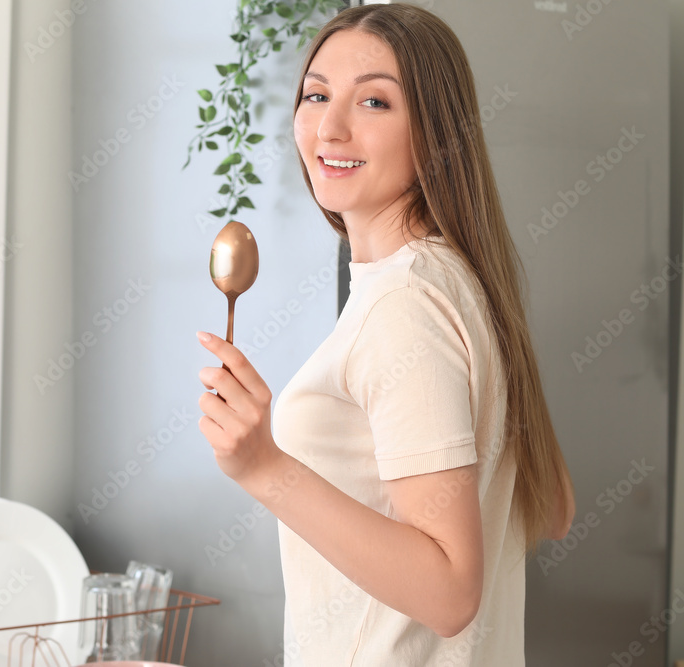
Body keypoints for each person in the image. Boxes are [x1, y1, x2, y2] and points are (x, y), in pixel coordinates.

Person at [195, 4, 576, 665]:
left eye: (374, 102)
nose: (330, 127)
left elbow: (451, 590)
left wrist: (266, 468)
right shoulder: (457, 279)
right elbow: (554, 507)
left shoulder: (403, 305)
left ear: (434, 132)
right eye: (316, 95)